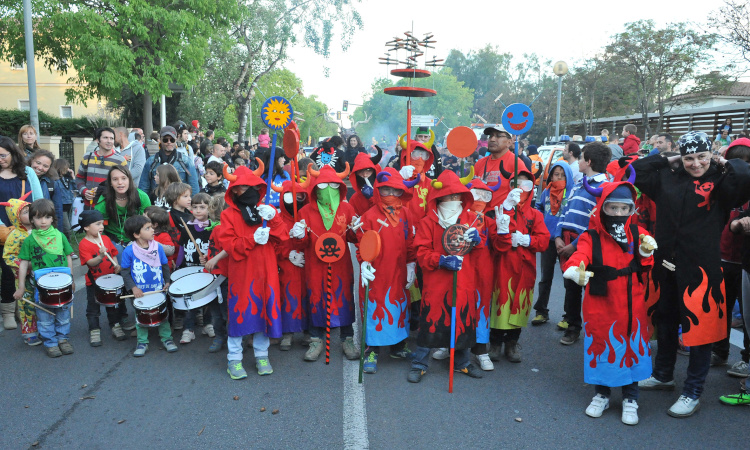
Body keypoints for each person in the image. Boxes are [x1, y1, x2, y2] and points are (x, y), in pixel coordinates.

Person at [632, 131, 750, 417]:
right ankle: (663, 375)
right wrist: (669, 157)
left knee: (700, 329)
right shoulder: (668, 177)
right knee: (666, 320)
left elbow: (746, 174)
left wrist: (721, 160)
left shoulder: (722, 182)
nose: (695, 163)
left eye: (701, 156)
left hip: (702, 268)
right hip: (666, 263)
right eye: (688, 157)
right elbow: (637, 171)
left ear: (710, 154)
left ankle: (693, 391)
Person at [562, 182, 656, 426]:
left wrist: (646, 254)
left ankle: (631, 397)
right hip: (600, 302)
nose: (617, 214)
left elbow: (647, 266)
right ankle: (601, 394)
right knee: (603, 345)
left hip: (631, 301)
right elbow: (579, 255)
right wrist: (573, 269)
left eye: (623, 209)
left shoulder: (638, 233)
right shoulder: (590, 236)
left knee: (630, 346)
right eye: (612, 208)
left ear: (631, 210)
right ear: (602, 209)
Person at [408, 170, 486, 383]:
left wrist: (478, 241)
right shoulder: (427, 223)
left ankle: (462, 363)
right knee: (430, 321)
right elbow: (421, 253)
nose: (453, 200)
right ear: (438, 197)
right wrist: (440, 260)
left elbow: (481, 253)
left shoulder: (472, 220)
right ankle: (420, 363)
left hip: (464, 282)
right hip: (436, 284)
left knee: (461, 322)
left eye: (457, 196)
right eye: (449, 196)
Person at [219, 165, 288, 378]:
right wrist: (251, 239)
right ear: (233, 191)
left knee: (264, 312)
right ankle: (234, 358)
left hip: (267, 271)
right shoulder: (228, 215)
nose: (244, 192)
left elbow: (283, 237)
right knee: (240, 313)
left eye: (249, 187)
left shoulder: (267, 210)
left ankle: (261, 354)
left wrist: (275, 219)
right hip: (242, 272)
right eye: (239, 189)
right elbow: (228, 244)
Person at [291, 163, 359, 362]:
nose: (328, 191)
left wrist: (357, 229)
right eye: (322, 186)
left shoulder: (347, 208)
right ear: (315, 188)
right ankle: (316, 339)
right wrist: (298, 235)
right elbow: (302, 243)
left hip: (341, 266)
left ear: (340, 187)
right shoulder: (305, 212)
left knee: (344, 296)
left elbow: (354, 239)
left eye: (333, 186)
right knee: (316, 297)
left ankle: (347, 338)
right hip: (315, 265)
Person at [359, 168, 418, 374]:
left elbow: (411, 241)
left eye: (396, 190)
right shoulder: (369, 215)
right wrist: (363, 263)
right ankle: (371, 350)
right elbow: (362, 243)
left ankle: (398, 346)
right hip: (376, 272)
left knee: (400, 306)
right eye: (385, 190)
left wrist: (411, 264)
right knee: (376, 307)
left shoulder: (407, 214)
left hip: (399, 269)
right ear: (378, 191)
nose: (391, 195)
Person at [489, 169, 549, 363]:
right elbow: (493, 239)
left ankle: (512, 343)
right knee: (501, 303)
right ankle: (495, 343)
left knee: (519, 306)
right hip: (503, 267)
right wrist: (506, 210)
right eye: (517, 183)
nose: (521, 189)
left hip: (525, 268)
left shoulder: (535, 214)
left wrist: (526, 239)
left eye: (527, 185)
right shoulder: (501, 208)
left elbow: (544, 240)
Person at [554, 142, 611, 345]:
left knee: (591, 290)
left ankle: (595, 330)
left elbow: (597, 224)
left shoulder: (605, 188)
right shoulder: (579, 183)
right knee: (571, 289)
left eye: (581, 158)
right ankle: (573, 326)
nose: (577, 161)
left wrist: (576, 245)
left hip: (587, 246)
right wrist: (558, 235)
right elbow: (565, 210)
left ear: (588, 161)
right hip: (566, 241)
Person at [14, 199, 75, 357]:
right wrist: (21, 287)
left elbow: (68, 256)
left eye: (47, 217)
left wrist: (72, 278)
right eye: (38, 217)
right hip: (41, 285)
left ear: (53, 218)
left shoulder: (59, 236)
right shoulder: (30, 240)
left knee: (63, 313)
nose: (43, 221)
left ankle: (63, 339)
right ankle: (51, 342)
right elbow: (23, 263)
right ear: (32, 219)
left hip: (63, 282)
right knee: (44, 315)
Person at [0, 136, 43, 330]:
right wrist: (4, 228)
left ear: (12, 153)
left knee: (28, 269)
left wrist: (38, 223)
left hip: (27, 229)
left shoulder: (27, 172)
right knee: (9, 270)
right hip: (3, 231)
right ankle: (8, 311)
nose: (0, 159)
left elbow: (38, 200)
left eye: (3, 155)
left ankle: (25, 308)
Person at [120, 215, 178, 356]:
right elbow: (125, 272)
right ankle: (142, 342)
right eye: (148, 228)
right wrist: (133, 288)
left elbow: (164, 265)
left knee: (163, 314)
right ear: (136, 234)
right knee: (140, 317)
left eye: (152, 227)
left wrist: (167, 281)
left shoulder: (157, 246)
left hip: (158, 289)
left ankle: (167, 338)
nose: (153, 230)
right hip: (140, 291)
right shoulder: (129, 250)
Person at [532, 161, 574, 325]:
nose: (559, 177)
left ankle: (567, 316)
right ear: (550, 175)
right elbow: (539, 207)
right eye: (556, 174)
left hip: (566, 241)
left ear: (569, 176)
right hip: (547, 240)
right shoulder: (546, 191)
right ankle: (541, 311)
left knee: (568, 279)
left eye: (563, 175)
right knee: (545, 277)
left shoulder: (571, 192)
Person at [77, 210, 127, 346]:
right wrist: (100, 256)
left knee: (112, 305)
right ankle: (94, 330)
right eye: (98, 224)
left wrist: (116, 265)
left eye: (102, 223)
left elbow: (114, 253)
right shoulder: (84, 244)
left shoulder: (105, 239)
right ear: (86, 227)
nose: (102, 226)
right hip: (94, 282)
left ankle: (115, 325)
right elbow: (90, 263)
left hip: (110, 279)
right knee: (93, 307)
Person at [271, 177, 309, 350]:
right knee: (288, 298)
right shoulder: (277, 220)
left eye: (299, 197)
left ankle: (309, 331)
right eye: (289, 197)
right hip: (287, 268)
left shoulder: (307, 217)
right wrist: (288, 253)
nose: (294, 202)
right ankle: (288, 332)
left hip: (307, 266)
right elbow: (272, 245)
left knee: (308, 296)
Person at [2, 195, 38, 344]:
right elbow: (8, 256)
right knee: (27, 303)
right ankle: (29, 332)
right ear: (16, 217)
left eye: (30, 210)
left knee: (41, 300)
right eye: (24, 212)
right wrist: (22, 265)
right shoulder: (15, 235)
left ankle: (44, 326)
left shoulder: (40, 229)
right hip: (23, 275)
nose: (29, 214)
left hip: (41, 272)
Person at [94, 165, 152, 251]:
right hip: (112, 238)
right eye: (115, 179)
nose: (120, 183)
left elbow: (148, 224)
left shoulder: (142, 197)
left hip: (137, 237)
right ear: (110, 182)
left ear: (129, 180)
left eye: (124, 178)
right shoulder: (104, 201)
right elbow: (96, 226)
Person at [76, 127, 128, 209]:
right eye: (105, 138)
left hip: (110, 206)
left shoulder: (120, 161)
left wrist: (103, 190)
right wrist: (84, 191)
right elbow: (79, 178)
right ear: (98, 140)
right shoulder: (87, 157)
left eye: (111, 138)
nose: (109, 141)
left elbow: (125, 183)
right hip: (89, 206)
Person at [140, 126, 200, 196]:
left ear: (176, 139)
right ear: (160, 140)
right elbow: (143, 189)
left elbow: (194, 188)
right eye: (165, 140)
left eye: (172, 140)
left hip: (179, 204)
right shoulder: (151, 162)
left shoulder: (186, 161)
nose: (169, 142)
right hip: (157, 204)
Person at [473, 125, 517, 212]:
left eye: (498, 136)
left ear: (509, 142)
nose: (492, 139)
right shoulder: (480, 164)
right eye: (491, 136)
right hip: (481, 219)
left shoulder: (516, 163)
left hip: (504, 220)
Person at [28, 150, 64, 233]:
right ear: (31, 160)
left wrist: (58, 233)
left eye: (45, 166)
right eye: (38, 163)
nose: (40, 168)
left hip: (43, 227)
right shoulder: (20, 179)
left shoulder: (52, 183)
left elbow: (57, 210)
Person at [348, 148, 382, 216]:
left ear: (374, 171)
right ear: (356, 174)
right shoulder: (355, 199)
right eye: (360, 171)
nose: (365, 174)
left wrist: (372, 197)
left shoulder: (385, 191)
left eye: (368, 170)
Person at [53, 158, 76, 241]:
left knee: (68, 227)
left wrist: (73, 177)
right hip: (61, 206)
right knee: (66, 228)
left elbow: (76, 188)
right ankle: (67, 245)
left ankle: (66, 246)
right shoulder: (55, 180)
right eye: (66, 167)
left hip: (69, 204)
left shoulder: (67, 178)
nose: (67, 169)